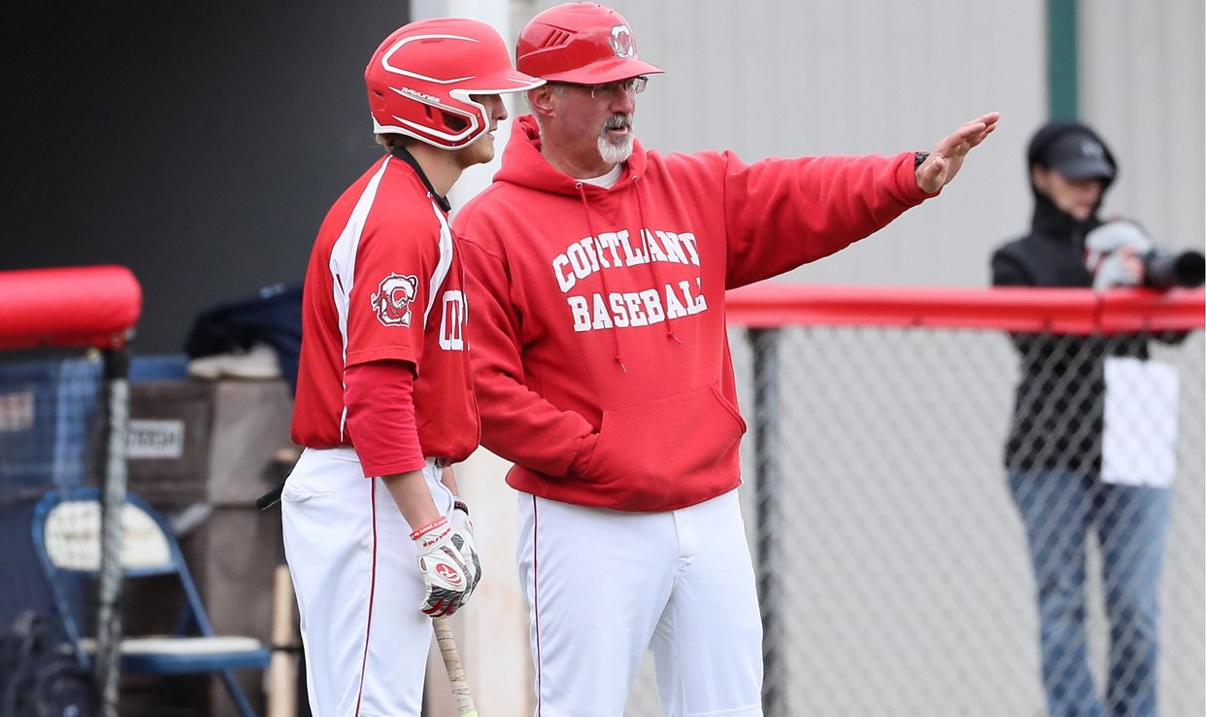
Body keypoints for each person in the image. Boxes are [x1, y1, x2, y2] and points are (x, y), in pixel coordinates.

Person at [450, 3, 998, 715]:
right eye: (601, 87)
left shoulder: (691, 186)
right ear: (544, 99)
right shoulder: (490, 227)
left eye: (630, 84)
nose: (623, 103)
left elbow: (798, 195)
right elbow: (483, 388)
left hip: (707, 509)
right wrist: (595, 453)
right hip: (585, 520)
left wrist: (906, 177)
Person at [280, 18, 541, 715]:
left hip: (387, 485)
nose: (500, 113)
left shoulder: (419, 207)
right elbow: (375, 396)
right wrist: (428, 526)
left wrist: (442, 496)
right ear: (436, 106)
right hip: (366, 488)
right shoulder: (399, 219)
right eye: (484, 96)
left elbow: (422, 389)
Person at [992, 121, 1171, 717]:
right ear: (1041, 177)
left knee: (1136, 607)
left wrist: (1142, 276)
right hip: (1048, 450)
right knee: (1063, 600)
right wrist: (1099, 291)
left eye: (1097, 179)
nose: (1087, 190)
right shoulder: (1016, 259)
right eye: (1074, 177)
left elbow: (1173, 330)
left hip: (1135, 439)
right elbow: (1030, 342)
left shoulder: (1128, 244)